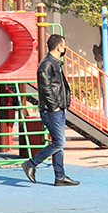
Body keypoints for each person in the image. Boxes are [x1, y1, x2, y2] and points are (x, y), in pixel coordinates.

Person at [23, 34, 78, 186]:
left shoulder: (56, 63)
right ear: (59, 47)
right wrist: (54, 107)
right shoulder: (47, 64)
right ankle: (31, 163)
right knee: (59, 143)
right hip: (51, 110)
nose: (65, 48)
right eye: (64, 45)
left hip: (58, 108)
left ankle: (60, 176)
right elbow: (45, 89)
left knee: (57, 143)